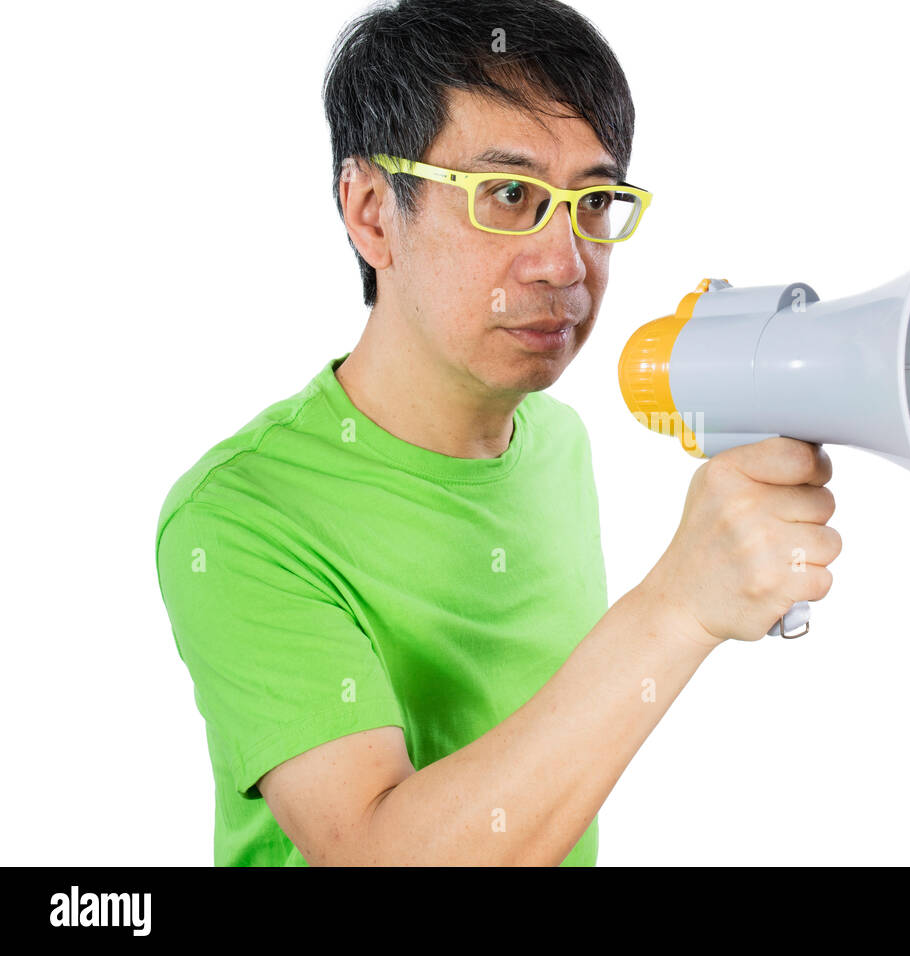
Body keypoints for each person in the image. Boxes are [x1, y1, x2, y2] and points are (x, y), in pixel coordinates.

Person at [154, 0, 840, 866]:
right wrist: (679, 603)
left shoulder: (560, 443)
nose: (564, 262)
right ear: (371, 211)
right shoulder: (237, 519)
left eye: (594, 201)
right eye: (508, 195)